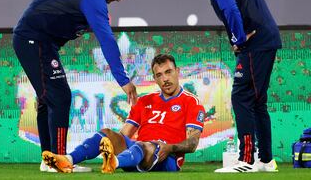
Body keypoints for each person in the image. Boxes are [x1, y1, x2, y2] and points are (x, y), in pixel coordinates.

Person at [12, 0, 138, 172]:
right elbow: (107, 40)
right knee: (60, 98)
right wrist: (123, 79)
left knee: (49, 99)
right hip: (34, 40)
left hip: (35, 41)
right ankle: (60, 161)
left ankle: (49, 160)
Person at [42, 54, 205, 173]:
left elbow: (192, 143)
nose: (165, 79)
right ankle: (67, 160)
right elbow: (124, 135)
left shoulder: (191, 102)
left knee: (145, 145)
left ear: (177, 71)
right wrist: (112, 141)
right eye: (159, 75)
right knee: (106, 134)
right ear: (155, 79)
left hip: (166, 160)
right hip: (137, 154)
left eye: (169, 72)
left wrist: (170, 148)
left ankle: (114, 162)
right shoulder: (144, 101)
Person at [184, 0, 282, 173]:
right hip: (265, 40)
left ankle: (246, 160)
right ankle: (266, 160)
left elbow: (230, 8)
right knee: (257, 101)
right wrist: (238, 38)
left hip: (256, 43)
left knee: (241, 96)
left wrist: (239, 38)